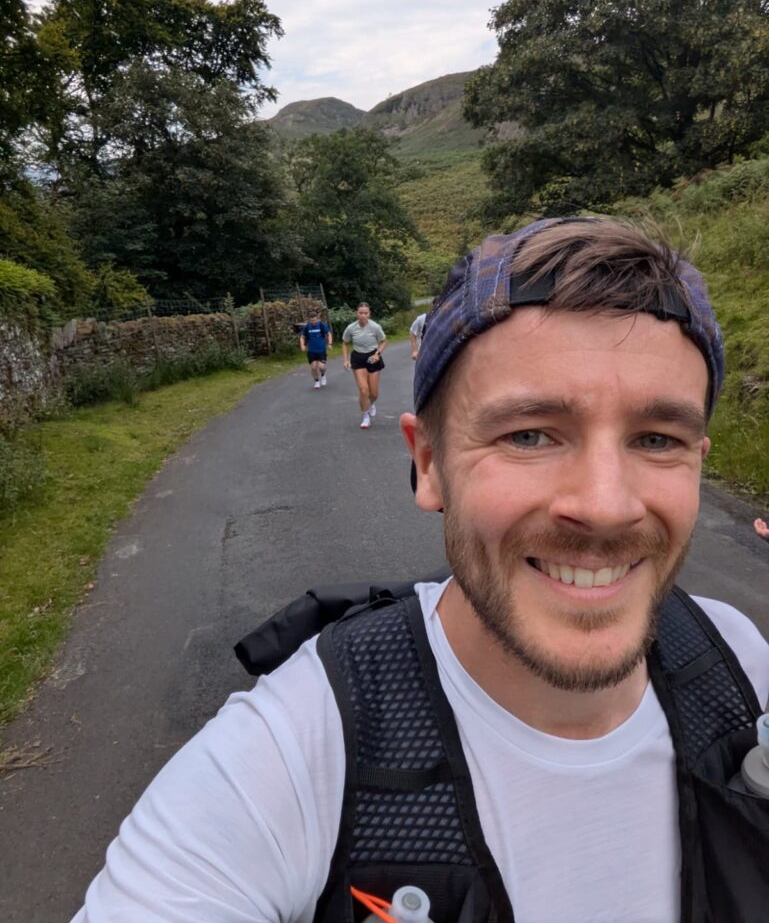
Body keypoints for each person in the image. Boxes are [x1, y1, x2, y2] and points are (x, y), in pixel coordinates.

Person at [72, 218, 769, 923]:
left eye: (656, 439)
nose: (604, 506)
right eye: (528, 434)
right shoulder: (285, 761)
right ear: (428, 463)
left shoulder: (741, 661)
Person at [341, 302, 387, 429]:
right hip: (358, 358)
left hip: (373, 357)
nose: (363, 315)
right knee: (363, 390)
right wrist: (345, 360)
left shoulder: (375, 327)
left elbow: (383, 341)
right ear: (357, 313)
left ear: (369, 314)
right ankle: (365, 416)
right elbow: (345, 343)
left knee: (374, 394)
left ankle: (370, 404)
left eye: (365, 313)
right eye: (361, 313)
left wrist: (377, 353)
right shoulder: (351, 328)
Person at [299, 311, 332, 389]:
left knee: (321, 367)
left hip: (321, 350)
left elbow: (328, 334)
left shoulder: (321, 325)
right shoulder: (307, 326)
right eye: (312, 320)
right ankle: (317, 381)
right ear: (309, 320)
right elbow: (302, 337)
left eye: (315, 320)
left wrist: (330, 343)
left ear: (317, 319)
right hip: (311, 351)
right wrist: (302, 345)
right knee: (313, 368)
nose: (313, 322)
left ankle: (323, 375)